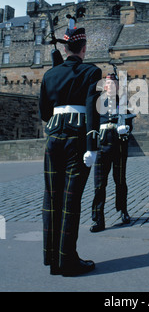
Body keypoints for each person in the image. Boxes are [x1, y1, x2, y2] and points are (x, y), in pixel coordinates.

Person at [39, 25, 102, 276]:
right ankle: (68, 261)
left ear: (65, 49)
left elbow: (45, 112)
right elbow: (92, 108)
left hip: (53, 139)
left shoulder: (50, 75)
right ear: (84, 49)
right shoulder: (92, 71)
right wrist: (92, 145)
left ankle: (53, 259)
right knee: (70, 200)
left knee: (52, 199)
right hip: (77, 140)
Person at [90, 73, 134, 233]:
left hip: (119, 147)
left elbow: (130, 123)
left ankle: (123, 210)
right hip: (102, 146)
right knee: (99, 185)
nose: (111, 86)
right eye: (108, 83)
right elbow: (92, 124)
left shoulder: (124, 102)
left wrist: (126, 129)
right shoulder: (98, 102)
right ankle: (98, 218)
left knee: (120, 181)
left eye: (114, 83)